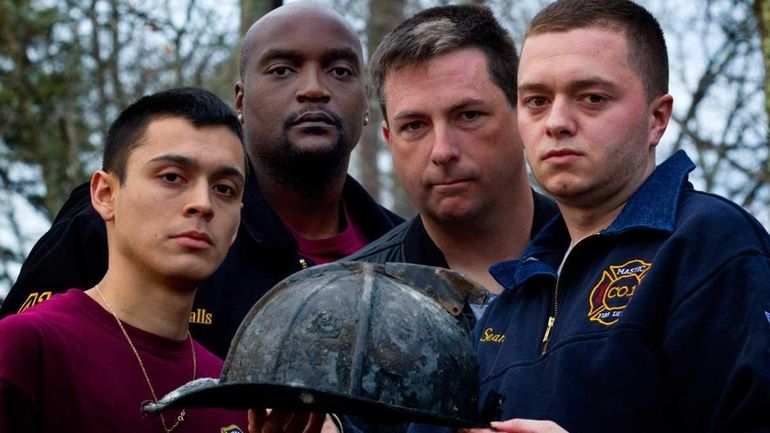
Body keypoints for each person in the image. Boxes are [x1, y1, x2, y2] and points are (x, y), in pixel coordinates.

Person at [0, 2, 402, 359]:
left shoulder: (409, 253)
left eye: (339, 70)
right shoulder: (119, 219)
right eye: (282, 70)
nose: (314, 89)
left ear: (366, 104)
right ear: (240, 101)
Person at [473, 1, 770, 432]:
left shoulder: (710, 245)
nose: (556, 122)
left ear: (657, 119)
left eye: (592, 98)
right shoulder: (513, 297)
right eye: (536, 100)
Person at [0, 87, 249, 432]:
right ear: (105, 194)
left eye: (224, 188)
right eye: (172, 177)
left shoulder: (238, 399)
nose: (203, 204)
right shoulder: (26, 350)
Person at [346, 4, 557, 316]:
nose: (442, 151)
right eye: (415, 126)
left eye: (469, 116)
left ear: (522, 116)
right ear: (390, 140)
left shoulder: (610, 265)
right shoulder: (355, 302)